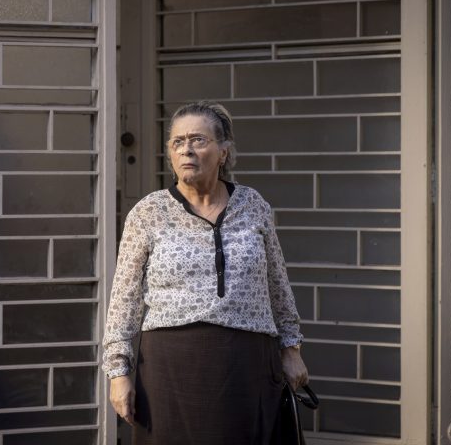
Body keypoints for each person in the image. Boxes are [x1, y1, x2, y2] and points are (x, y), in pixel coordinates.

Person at [102, 101, 309, 445]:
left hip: (248, 366)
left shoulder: (252, 205)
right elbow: (124, 299)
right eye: (177, 142)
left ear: (224, 151)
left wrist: (292, 348)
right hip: (171, 368)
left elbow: (277, 283)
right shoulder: (148, 213)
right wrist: (118, 372)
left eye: (198, 140)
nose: (187, 150)